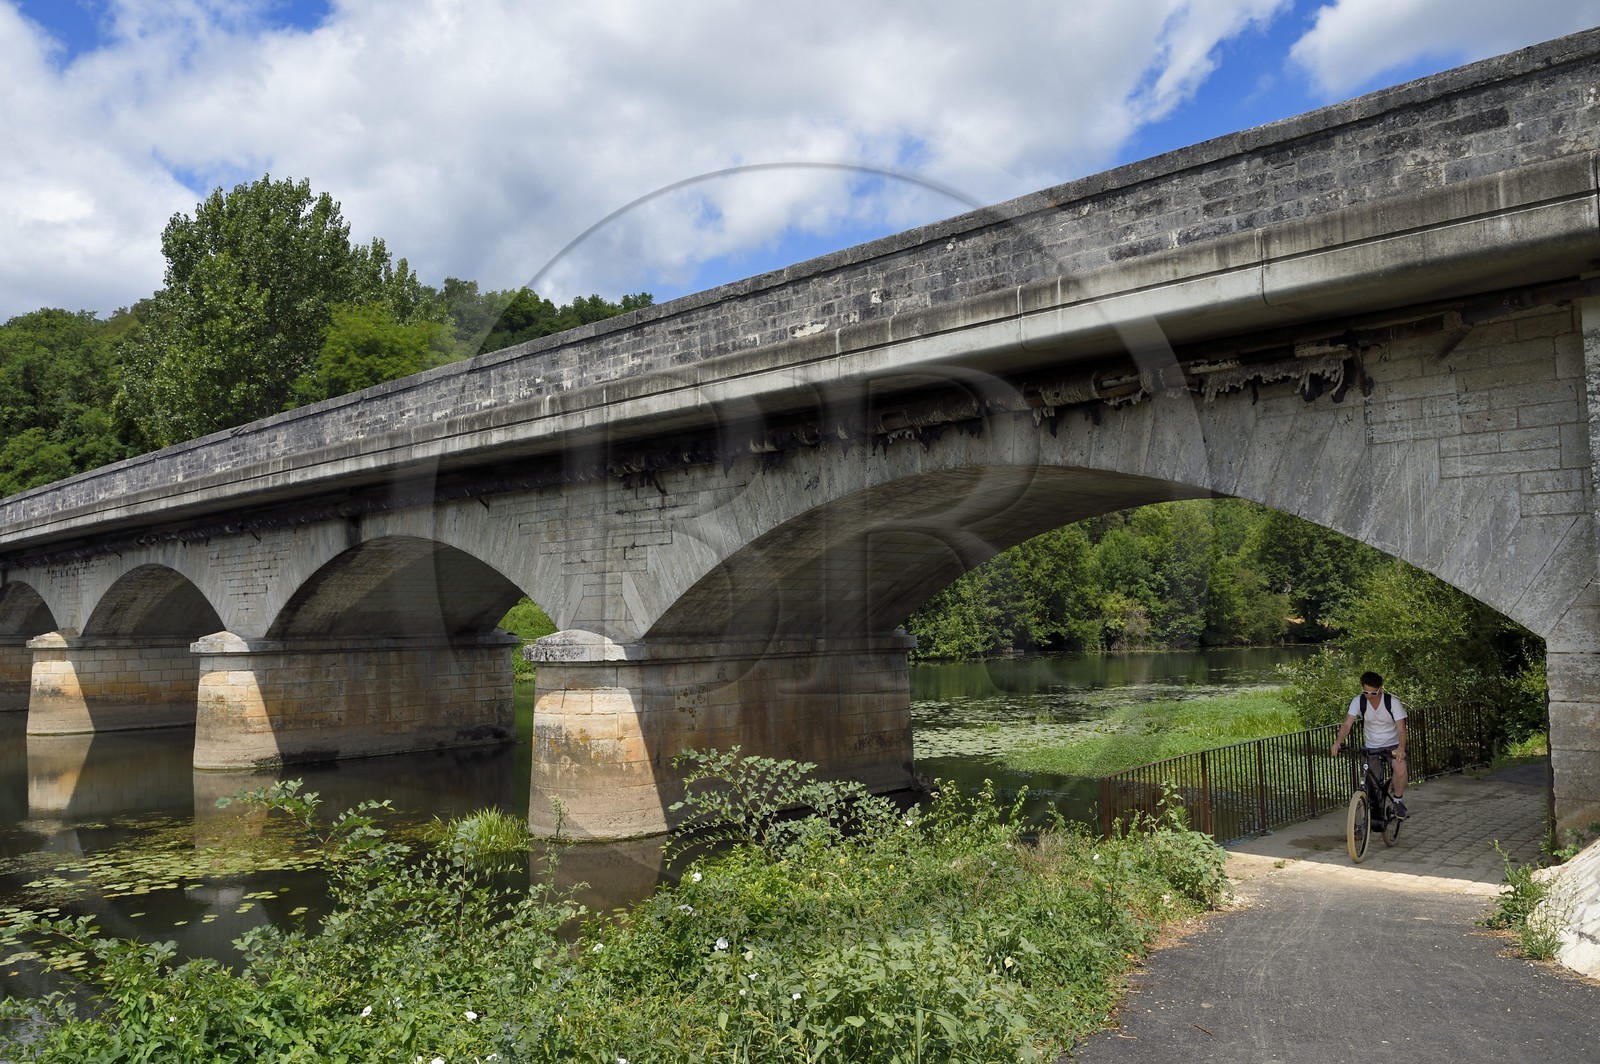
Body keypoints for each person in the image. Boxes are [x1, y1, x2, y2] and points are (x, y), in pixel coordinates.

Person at [1331, 670, 1409, 818]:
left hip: (1392, 745)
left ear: (1380, 689)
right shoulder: (1358, 701)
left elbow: (1401, 729)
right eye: (1366, 692)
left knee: (1400, 767)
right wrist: (1338, 742)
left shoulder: (1392, 702)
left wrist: (1401, 748)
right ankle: (1362, 822)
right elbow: (1347, 724)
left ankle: (1398, 800)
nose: (1369, 696)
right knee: (1369, 785)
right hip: (1372, 746)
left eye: (1373, 693)